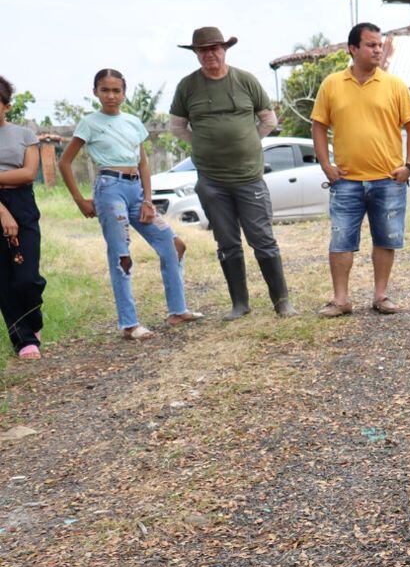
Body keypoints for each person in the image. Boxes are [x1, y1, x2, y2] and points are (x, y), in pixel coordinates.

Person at [59, 68, 201, 340]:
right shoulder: (89, 123)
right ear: (95, 92)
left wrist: (148, 200)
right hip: (109, 189)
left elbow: (144, 164)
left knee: (174, 244)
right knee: (121, 256)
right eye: (105, 90)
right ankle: (128, 323)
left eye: (116, 90)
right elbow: (64, 162)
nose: (111, 96)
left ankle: (177, 310)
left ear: (124, 93)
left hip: (135, 190)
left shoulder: (134, 122)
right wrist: (80, 200)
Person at [168, 25, 293, 319]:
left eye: (214, 48)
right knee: (226, 242)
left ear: (224, 50)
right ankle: (240, 304)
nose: (209, 54)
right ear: (196, 54)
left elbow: (268, 120)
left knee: (262, 239)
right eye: (203, 50)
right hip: (211, 180)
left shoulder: (245, 80)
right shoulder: (187, 86)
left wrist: (249, 142)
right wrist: (202, 144)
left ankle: (282, 302)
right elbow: (177, 127)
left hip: (249, 176)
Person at [310, 22, 410, 318]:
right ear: (353, 49)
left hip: (388, 179)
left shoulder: (394, 85)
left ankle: (381, 296)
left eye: (379, 44)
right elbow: (318, 126)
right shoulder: (332, 84)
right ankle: (341, 300)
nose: (377, 50)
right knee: (341, 239)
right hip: (346, 181)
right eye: (371, 45)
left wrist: (408, 166)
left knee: (386, 238)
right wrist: (326, 165)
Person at [0, 75, 45, 359]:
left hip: (23, 202)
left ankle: (33, 320)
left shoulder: (25, 134)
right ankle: (24, 340)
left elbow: (29, 173)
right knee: (3, 278)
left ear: (6, 104)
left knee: (27, 277)